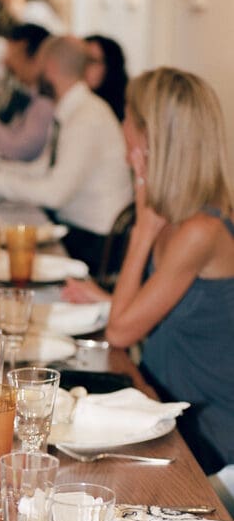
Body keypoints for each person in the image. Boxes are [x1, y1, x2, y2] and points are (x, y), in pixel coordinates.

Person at [63, 67, 234, 473]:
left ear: (150, 137)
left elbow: (121, 332)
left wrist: (142, 231)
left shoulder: (200, 230)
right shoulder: (181, 215)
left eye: (127, 117)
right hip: (163, 402)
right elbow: (172, 309)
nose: (121, 127)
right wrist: (106, 299)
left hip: (205, 435)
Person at [0, 35, 132, 274]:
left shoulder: (86, 118)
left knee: (1, 261)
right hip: (79, 231)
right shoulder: (73, 108)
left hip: (94, 243)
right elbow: (43, 168)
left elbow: (54, 194)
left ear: (50, 67)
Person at [0, 23, 54, 161]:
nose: (6, 61)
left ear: (23, 48)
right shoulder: (30, 91)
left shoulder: (45, 101)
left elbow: (18, 149)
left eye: (11, 53)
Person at [83, 34, 129, 121]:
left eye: (91, 60)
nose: (83, 66)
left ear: (110, 67)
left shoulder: (125, 111)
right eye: (81, 60)